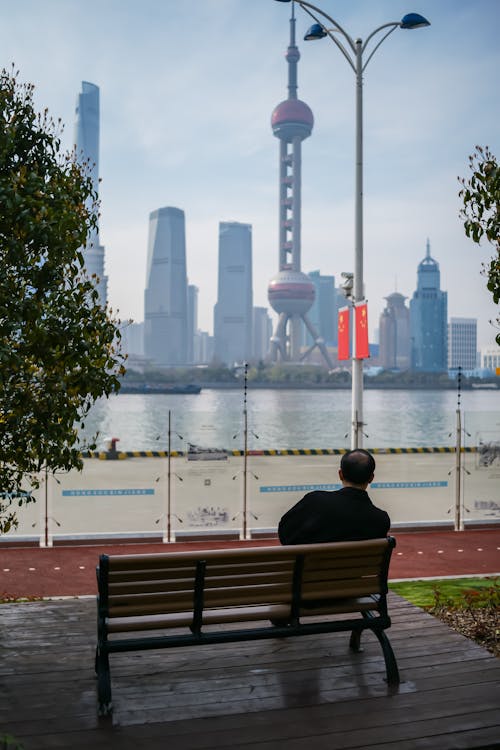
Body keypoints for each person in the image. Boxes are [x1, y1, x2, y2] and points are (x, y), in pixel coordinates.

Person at [278, 449, 390, 545]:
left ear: (340, 474)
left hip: (313, 569)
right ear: (371, 478)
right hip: (358, 570)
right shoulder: (381, 520)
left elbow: (285, 534)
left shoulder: (315, 501)